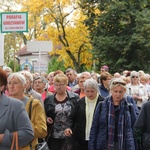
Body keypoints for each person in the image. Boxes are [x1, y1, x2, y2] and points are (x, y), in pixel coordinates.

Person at [88, 78, 138, 150]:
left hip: (124, 144)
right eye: (115, 91)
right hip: (104, 144)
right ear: (111, 91)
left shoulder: (129, 107)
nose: (118, 94)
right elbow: (94, 128)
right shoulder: (102, 105)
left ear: (124, 92)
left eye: (120, 92)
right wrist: (91, 147)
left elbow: (134, 129)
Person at [7, 72, 47, 149]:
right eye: (9, 83)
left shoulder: (34, 104)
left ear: (24, 86)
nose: (11, 86)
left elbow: (42, 131)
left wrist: (24, 123)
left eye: (15, 83)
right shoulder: (5, 103)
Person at [64, 78, 104, 150]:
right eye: (87, 91)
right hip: (81, 138)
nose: (89, 94)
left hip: (98, 137)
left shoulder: (103, 102)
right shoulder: (80, 102)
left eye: (92, 91)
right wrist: (68, 127)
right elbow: (72, 117)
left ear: (97, 90)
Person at [0, 68, 34, 149]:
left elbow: (28, 133)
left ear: (2, 87)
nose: (12, 86)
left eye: (15, 83)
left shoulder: (15, 105)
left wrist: (2, 138)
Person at [44, 74, 80, 150]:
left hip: (70, 134)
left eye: (61, 84)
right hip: (53, 135)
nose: (58, 87)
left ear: (66, 84)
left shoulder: (74, 98)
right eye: (56, 85)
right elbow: (43, 114)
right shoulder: (49, 99)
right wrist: (46, 118)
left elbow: (78, 115)